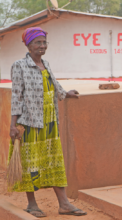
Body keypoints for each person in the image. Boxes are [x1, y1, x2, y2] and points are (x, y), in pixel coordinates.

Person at [9, 27, 87, 218]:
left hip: (50, 122)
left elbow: (53, 84)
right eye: (38, 42)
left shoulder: (46, 64)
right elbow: (16, 96)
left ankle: (64, 204)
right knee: (31, 163)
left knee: (54, 161)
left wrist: (65, 93)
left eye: (44, 42)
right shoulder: (19, 66)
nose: (42, 46)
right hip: (30, 123)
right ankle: (32, 204)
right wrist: (13, 125)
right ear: (28, 45)